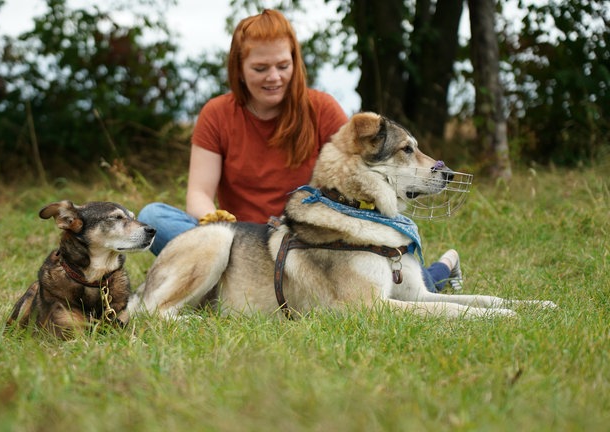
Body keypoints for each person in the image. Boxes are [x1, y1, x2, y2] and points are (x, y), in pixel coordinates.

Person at [138, 9, 461, 292]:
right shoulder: (216, 114)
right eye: (261, 68)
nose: (274, 77)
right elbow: (198, 193)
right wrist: (218, 224)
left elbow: (353, 178)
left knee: (396, 287)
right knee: (154, 216)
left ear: (295, 60)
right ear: (239, 67)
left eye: (282, 64)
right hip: (240, 241)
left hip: (306, 243)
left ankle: (439, 269)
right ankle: (222, 276)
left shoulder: (321, 107)